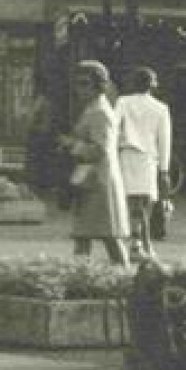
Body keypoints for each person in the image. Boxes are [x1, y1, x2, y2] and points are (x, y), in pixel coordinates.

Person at [61, 60, 131, 267]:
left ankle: (120, 278)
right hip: (92, 180)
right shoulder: (93, 108)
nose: (79, 89)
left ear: (98, 85)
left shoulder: (100, 112)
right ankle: (84, 275)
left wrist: (72, 144)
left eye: (85, 84)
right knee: (89, 235)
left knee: (109, 237)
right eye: (77, 84)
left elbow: (101, 149)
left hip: (98, 182)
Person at [115, 67, 172, 260]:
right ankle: (142, 243)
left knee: (132, 202)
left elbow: (114, 129)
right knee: (145, 203)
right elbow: (164, 141)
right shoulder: (160, 108)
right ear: (152, 86)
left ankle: (137, 242)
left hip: (126, 155)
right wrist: (164, 169)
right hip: (148, 158)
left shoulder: (123, 102)